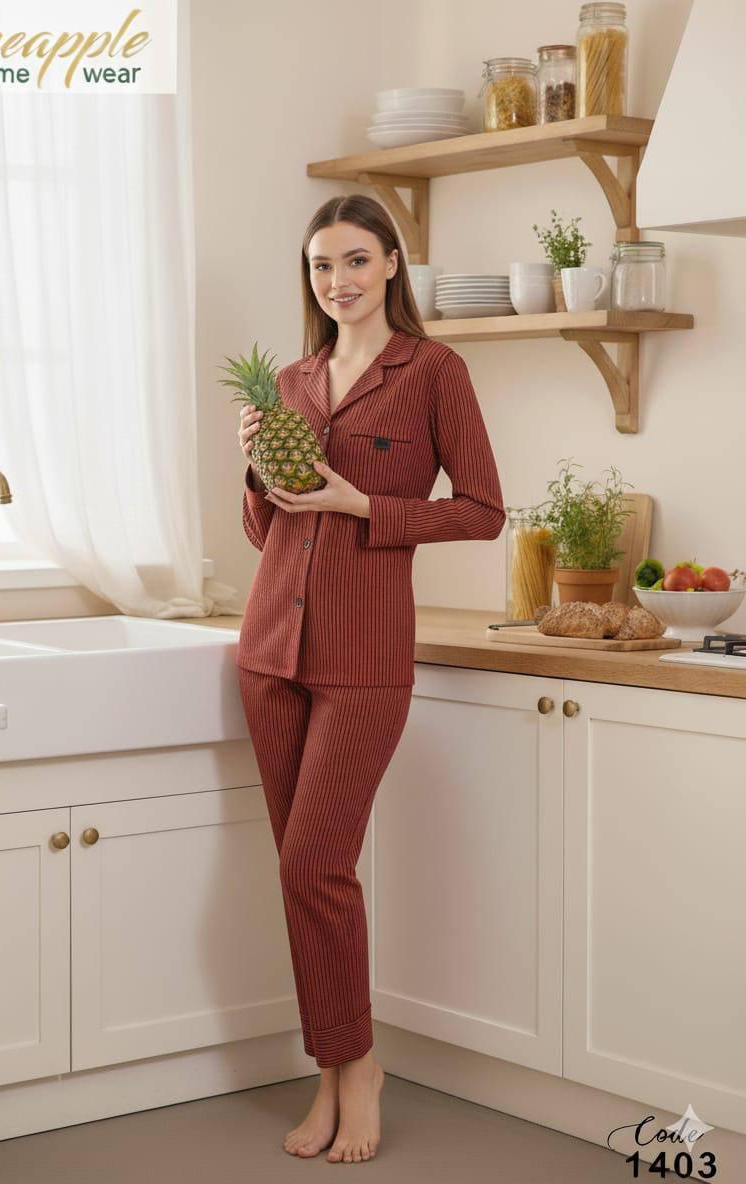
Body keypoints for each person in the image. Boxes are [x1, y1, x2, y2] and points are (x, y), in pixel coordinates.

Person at [234, 194, 506, 1163]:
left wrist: (365, 503)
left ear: (394, 263)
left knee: (319, 864)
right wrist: (257, 475)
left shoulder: (433, 371)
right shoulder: (292, 379)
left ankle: (359, 1066)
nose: (337, 281)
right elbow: (271, 531)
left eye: (355, 260)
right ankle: (337, 1069)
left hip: (363, 657)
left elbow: (482, 510)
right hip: (268, 648)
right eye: (319, 266)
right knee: (301, 875)